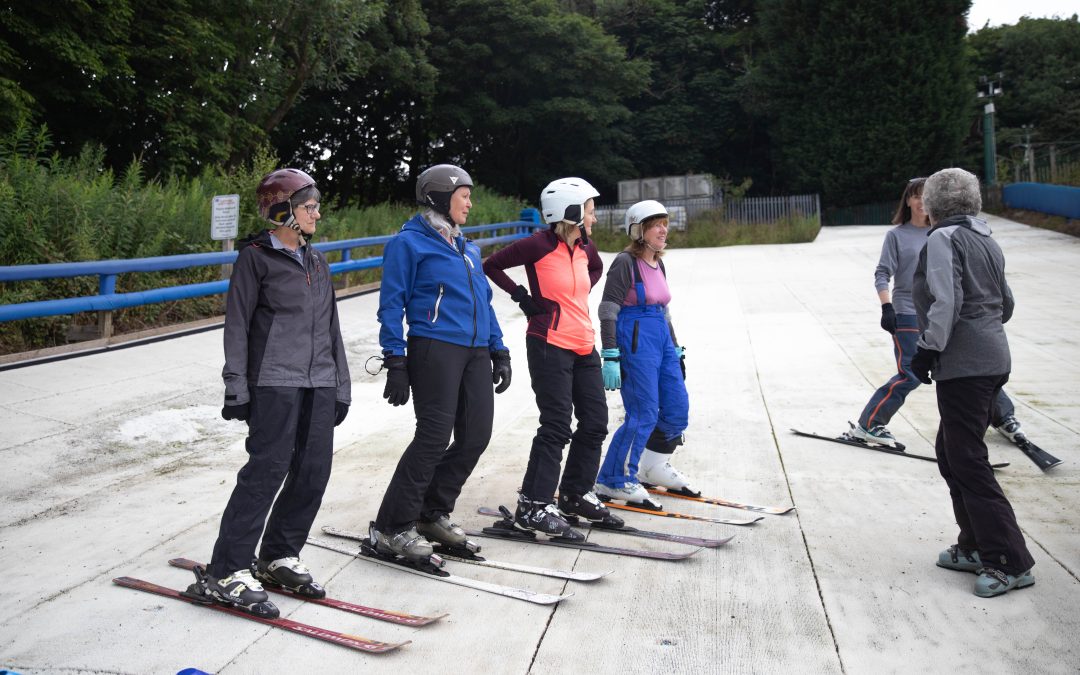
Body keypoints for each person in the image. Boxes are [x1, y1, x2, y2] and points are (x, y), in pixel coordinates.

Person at [193, 168, 352, 618]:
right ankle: (227, 569)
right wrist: (235, 386)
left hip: (319, 381)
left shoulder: (318, 262)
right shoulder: (256, 259)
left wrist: (340, 384)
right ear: (283, 211)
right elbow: (237, 325)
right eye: (309, 206)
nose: (317, 213)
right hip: (274, 382)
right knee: (267, 471)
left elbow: (332, 329)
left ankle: (279, 555)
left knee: (313, 471)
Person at [371, 164, 511, 562]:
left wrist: (499, 349)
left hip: (476, 351)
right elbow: (390, 305)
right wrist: (395, 360)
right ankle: (392, 526)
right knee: (433, 438)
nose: (470, 202)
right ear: (439, 196)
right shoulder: (409, 243)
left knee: (475, 436)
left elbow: (484, 302)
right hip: (434, 347)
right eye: (464, 194)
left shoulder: (468, 248)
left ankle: (430, 512)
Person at [911, 167, 1034, 598]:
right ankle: (975, 545)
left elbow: (948, 300)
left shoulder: (943, 238)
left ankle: (1008, 560)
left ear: (931, 204)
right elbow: (1007, 303)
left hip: (964, 365)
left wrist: (928, 348)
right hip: (993, 357)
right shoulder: (986, 237)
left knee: (967, 460)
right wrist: (984, 333)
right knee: (951, 452)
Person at [483, 177, 620, 538]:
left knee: (594, 422)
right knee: (557, 424)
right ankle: (532, 504)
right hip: (548, 342)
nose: (593, 217)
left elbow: (596, 268)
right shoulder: (538, 245)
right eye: (589, 211)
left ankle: (574, 494)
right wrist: (522, 298)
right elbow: (492, 265)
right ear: (571, 212)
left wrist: (580, 291)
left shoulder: (585, 248)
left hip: (583, 343)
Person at [851, 178, 1023, 447]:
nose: (920, 202)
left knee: (970, 366)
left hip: (948, 315)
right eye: (915, 196)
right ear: (907, 201)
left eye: (925, 196)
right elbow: (883, 272)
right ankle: (869, 423)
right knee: (910, 373)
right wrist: (887, 307)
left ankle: (1004, 416)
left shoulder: (949, 233)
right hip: (908, 312)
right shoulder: (897, 235)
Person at [593, 200, 693, 510]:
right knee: (643, 413)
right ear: (639, 230)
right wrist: (610, 353)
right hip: (634, 340)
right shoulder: (625, 262)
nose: (664, 229)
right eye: (656, 224)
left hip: (660, 339)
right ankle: (613, 479)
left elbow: (664, 310)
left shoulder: (658, 263)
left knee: (676, 409)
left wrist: (675, 349)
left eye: (665, 223)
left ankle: (653, 467)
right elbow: (608, 308)